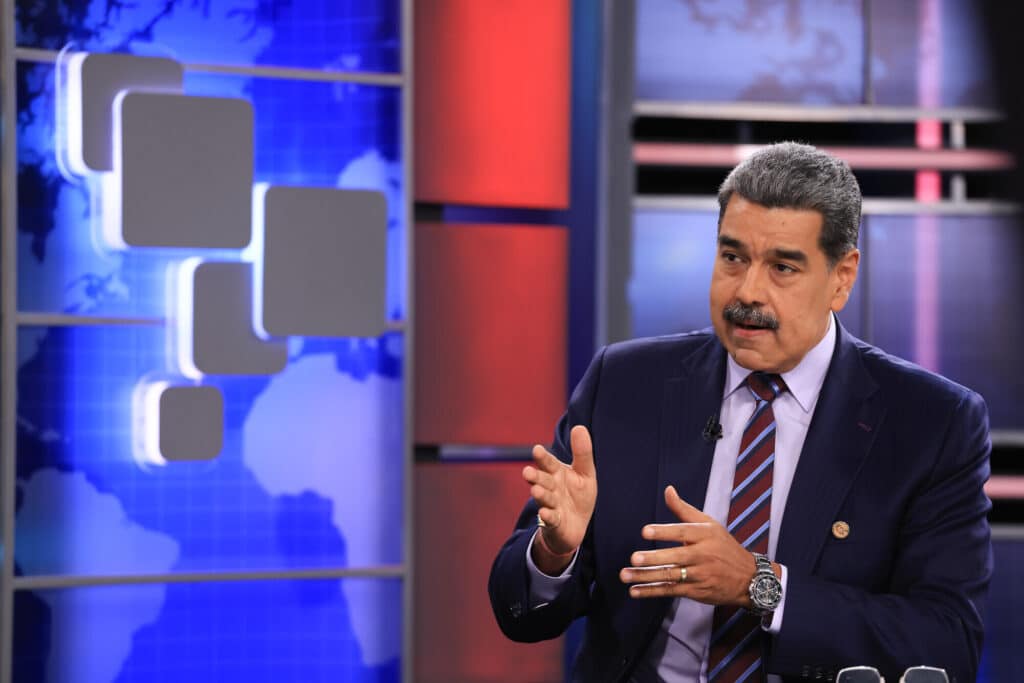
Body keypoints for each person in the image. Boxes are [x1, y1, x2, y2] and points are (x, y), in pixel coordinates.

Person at [488, 142, 992, 683]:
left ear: (842, 277)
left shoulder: (931, 424)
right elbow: (520, 616)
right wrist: (553, 552)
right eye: (733, 258)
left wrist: (759, 585)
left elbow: (946, 642)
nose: (748, 291)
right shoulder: (625, 384)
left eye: (783, 267)